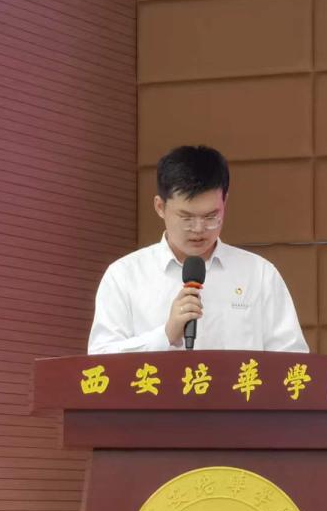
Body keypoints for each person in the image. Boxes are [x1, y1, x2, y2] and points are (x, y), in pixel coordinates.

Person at [88, 145, 308, 354]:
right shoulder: (125, 276)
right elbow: (101, 360)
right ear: (160, 207)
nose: (198, 229)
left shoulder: (259, 274)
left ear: (225, 203)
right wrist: (165, 335)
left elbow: (292, 360)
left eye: (211, 217)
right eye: (186, 218)